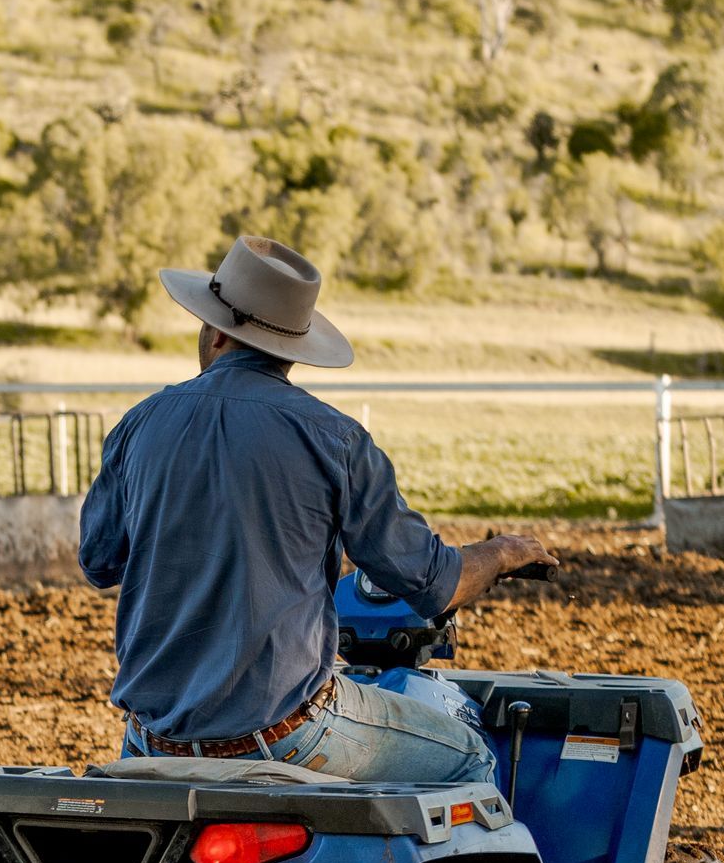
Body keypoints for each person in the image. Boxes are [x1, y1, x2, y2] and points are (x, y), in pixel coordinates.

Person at [78, 234, 554, 785]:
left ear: (212, 330)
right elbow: (434, 584)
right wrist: (502, 552)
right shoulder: (335, 439)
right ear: (294, 348)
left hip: (150, 738)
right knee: (471, 756)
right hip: (283, 734)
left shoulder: (140, 423)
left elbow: (99, 562)